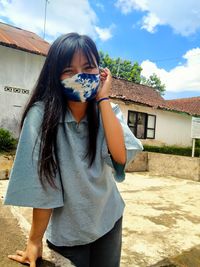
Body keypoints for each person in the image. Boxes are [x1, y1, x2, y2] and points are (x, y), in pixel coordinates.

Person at [4, 33, 143, 267]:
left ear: (100, 72)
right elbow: (44, 184)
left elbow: (120, 157)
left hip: (109, 219)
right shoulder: (41, 116)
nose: (80, 76)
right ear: (55, 75)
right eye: (69, 70)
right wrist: (34, 241)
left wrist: (104, 99)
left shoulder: (107, 110)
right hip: (69, 234)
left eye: (88, 67)